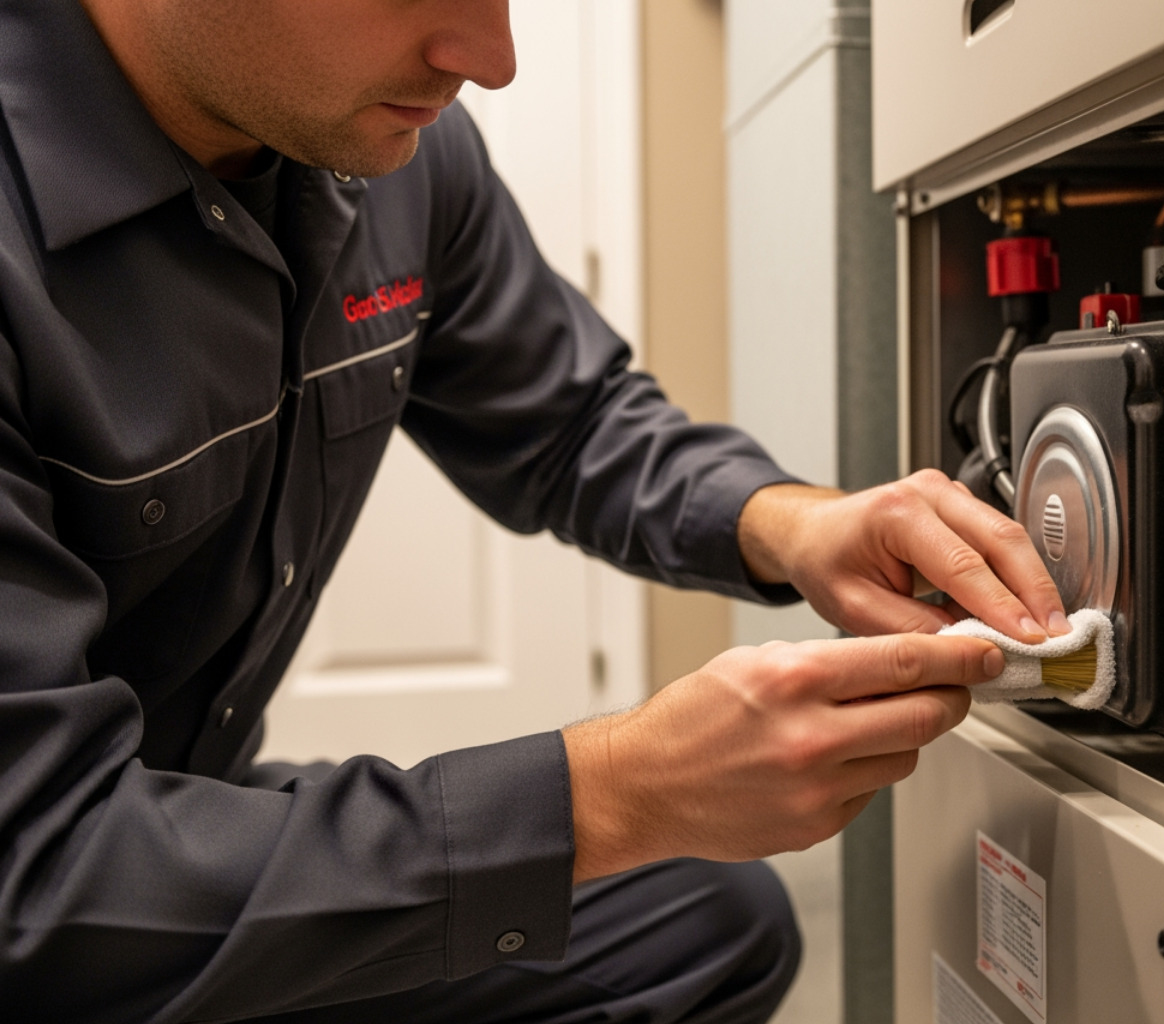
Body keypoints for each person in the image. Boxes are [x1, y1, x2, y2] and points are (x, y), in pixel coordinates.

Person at [0, 1, 1068, 1021]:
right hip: (57, 898)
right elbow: (36, 881)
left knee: (702, 924)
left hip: (182, 839)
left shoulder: (391, 159)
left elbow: (569, 421)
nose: (492, 56)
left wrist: (793, 525)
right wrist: (614, 793)